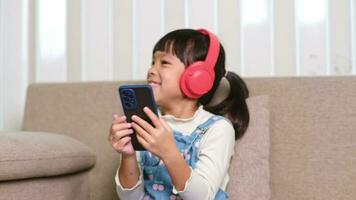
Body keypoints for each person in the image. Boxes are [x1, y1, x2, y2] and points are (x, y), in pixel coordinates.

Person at [108, 28, 249, 200]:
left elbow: (202, 197)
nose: (151, 70)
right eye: (153, 62)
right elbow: (130, 198)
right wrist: (128, 154)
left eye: (164, 63)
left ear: (197, 77)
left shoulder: (218, 129)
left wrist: (169, 153)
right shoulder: (147, 125)